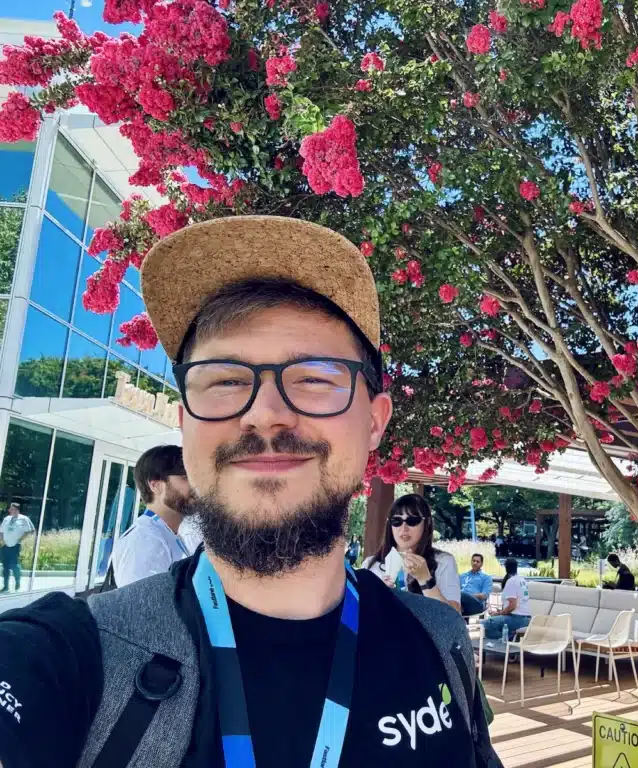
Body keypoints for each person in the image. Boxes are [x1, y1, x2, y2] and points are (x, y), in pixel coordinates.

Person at [0, 216, 499, 768]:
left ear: (375, 423)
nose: (264, 414)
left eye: (314, 377)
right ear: (186, 420)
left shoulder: (440, 641)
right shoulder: (67, 657)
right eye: (226, 379)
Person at [363, 494, 461, 612]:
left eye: (412, 521)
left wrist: (426, 580)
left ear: (427, 522)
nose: (404, 528)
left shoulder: (443, 561)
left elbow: (454, 616)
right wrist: (379, 596)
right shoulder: (370, 564)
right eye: (397, 521)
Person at [110, 445, 193, 586]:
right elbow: (141, 606)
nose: (195, 485)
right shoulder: (145, 540)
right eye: (185, 477)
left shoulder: (165, 533)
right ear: (156, 486)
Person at [482, 558, 531, 640]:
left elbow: (512, 606)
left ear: (505, 567)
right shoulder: (522, 580)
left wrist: (498, 613)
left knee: (486, 623)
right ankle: (508, 638)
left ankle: (506, 640)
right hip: (526, 619)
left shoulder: (511, 581)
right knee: (495, 624)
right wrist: (500, 612)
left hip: (517, 619)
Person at [0, 504, 34, 593]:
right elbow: (1, 531)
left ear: (17, 510)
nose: (9, 510)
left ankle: (17, 582)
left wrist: (20, 539)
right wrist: (1, 541)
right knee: (5, 566)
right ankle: (6, 586)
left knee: (15, 565)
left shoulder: (24, 519)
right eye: (10, 509)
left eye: (11, 509)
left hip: (15, 545)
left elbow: (30, 530)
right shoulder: (6, 519)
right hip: (5, 545)